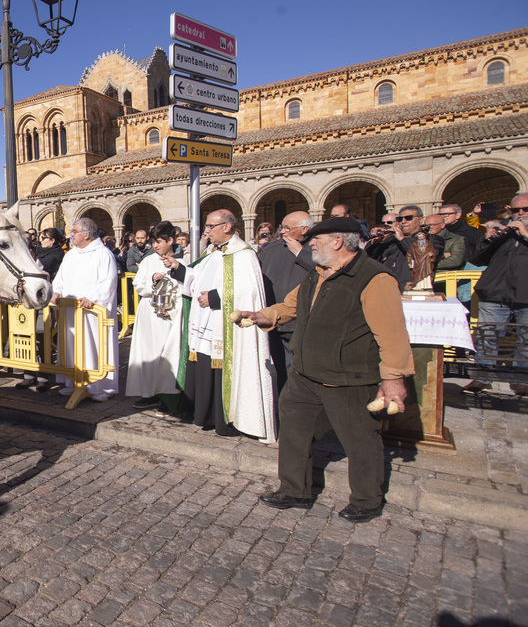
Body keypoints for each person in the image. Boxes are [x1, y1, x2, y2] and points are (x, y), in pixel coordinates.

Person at [239, 217, 414, 524]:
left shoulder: (374, 278)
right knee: (294, 430)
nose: (310, 244)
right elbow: (291, 307)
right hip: (306, 376)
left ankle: (366, 499)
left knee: (360, 439)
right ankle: (295, 490)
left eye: (317, 239)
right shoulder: (316, 274)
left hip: (349, 378)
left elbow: (392, 333)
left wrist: (393, 378)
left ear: (338, 242)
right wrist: (262, 315)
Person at [169, 210, 276, 442]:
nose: (206, 231)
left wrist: (215, 298)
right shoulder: (211, 252)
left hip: (226, 327)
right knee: (205, 368)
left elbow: (249, 291)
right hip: (205, 321)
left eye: (210, 226)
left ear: (227, 227)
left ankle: (226, 420)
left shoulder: (243, 255)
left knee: (224, 371)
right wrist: (178, 269)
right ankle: (205, 416)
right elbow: (196, 279)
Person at [50, 217, 119, 402]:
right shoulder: (71, 255)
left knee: (95, 346)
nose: (70, 235)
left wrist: (93, 298)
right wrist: (56, 292)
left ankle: (100, 386)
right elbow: (61, 278)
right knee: (71, 346)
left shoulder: (103, 254)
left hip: (92, 313)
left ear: (86, 234)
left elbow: (109, 282)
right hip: (71, 311)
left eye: (74, 232)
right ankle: (73, 381)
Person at [465, 193, 528, 396]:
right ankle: (482, 377)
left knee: (525, 339)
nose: (520, 214)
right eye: (515, 210)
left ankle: (521, 380)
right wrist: (488, 239)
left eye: (525, 210)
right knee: (487, 336)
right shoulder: (504, 230)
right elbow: (476, 258)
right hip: (495, 291)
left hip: (525, 293)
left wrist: (525, 234)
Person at [125, 221, 188, 411]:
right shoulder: (149, 261)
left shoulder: (182, 261)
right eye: (154, 242)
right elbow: (138, 284)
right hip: (149, 312)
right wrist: (152, 281)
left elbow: (186, 287)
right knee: (148, 352)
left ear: (171, 240)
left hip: (170, 314)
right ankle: (148, 392)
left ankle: (167, 394)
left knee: (166, 353)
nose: (156, 246)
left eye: (159, 241)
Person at [258, 211, 315, 391]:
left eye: (288, 228)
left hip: (301, 322)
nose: (283, 232)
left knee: (297, 371)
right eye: (282, 227)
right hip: (274, 320)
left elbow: (324, 271)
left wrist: (300, 253)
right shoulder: (271, 250)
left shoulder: (316, 248)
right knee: (280, 371)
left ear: (304, 229)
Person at [15, 226, 65, 391]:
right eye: (41, 237)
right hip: (29, 303)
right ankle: (28, 375)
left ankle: (43, 377)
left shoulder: (55, 255)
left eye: (44, 238)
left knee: (42, 338)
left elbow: (42, 271)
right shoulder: (37, 255)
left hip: (45, 303)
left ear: (52, 241)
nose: (40, 240)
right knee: (26, 337)